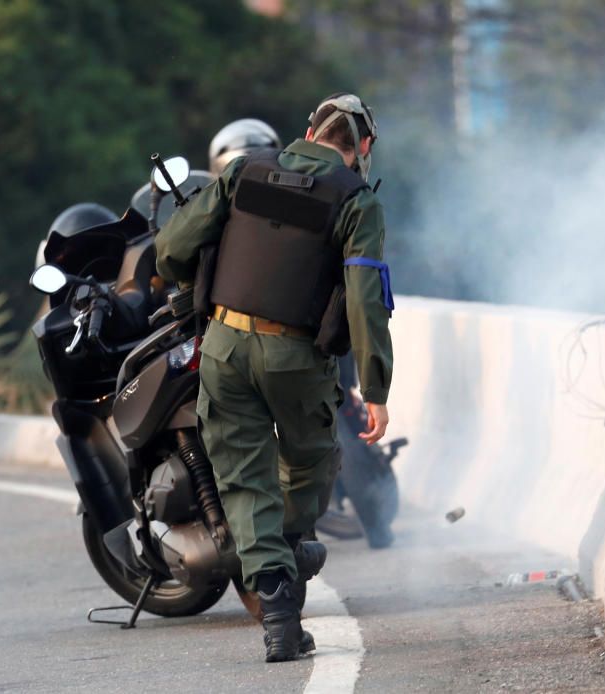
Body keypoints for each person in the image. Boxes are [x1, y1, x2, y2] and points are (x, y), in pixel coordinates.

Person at [154, 93, 393, 662]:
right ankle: (285, 555)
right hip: (296, 358)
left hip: (225, 347)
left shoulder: (242, 172)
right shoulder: (357, 201)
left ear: (310, 129)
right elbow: (365, 301)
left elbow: (171, 249)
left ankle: (279, 615)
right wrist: (377, 389)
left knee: (244, 480)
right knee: (310, 463)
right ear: (362, 147)